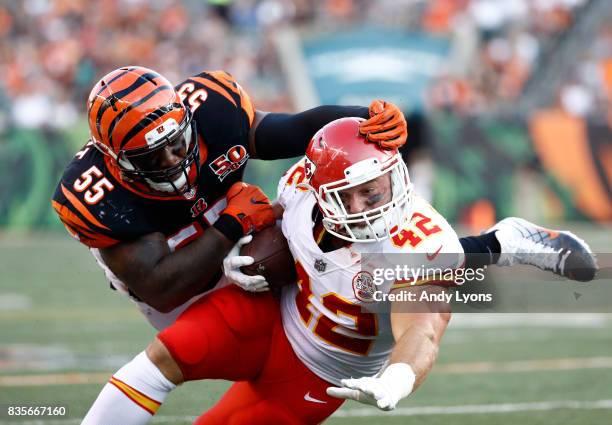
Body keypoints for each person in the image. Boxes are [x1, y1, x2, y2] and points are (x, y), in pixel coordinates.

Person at [81, 118, 597, 424]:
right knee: (156, 363)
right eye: (354, 193)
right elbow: (279, 234)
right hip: (272, 312)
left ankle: (505, 243)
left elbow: (423, 328)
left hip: (321, 369)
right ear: (319, 188)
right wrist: (242, 252)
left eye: (379, 186)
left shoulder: (423, 241)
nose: (373, 201)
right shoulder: (300, 190)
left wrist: (399, 374)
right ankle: (503, 241)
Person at [51, 66, 409, 330]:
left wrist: (364, 121)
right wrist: (230, 224)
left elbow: (287, 130)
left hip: (230, 224)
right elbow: (163, 289)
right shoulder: (96, 194)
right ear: (116, 159)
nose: (174, 159)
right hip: (178, 271)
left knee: (298, 237)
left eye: (176, 142)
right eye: (152, 156)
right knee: (220, 343)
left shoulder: (213, 109)